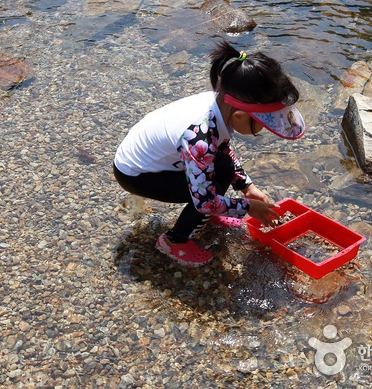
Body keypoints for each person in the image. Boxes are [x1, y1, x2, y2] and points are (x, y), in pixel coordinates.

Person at [113, 41, 306, 267]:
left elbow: (222, 149)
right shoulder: (199, 136)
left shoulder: (220, 104)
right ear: (240, 117)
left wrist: (247, 187)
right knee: (208, 193)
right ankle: (174, 240)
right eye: (263, 123)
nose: (264, 129)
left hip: (161, 161)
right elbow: (204, 200)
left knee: (222, 166)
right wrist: (247, 207)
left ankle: (209, 217)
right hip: (136, 174)